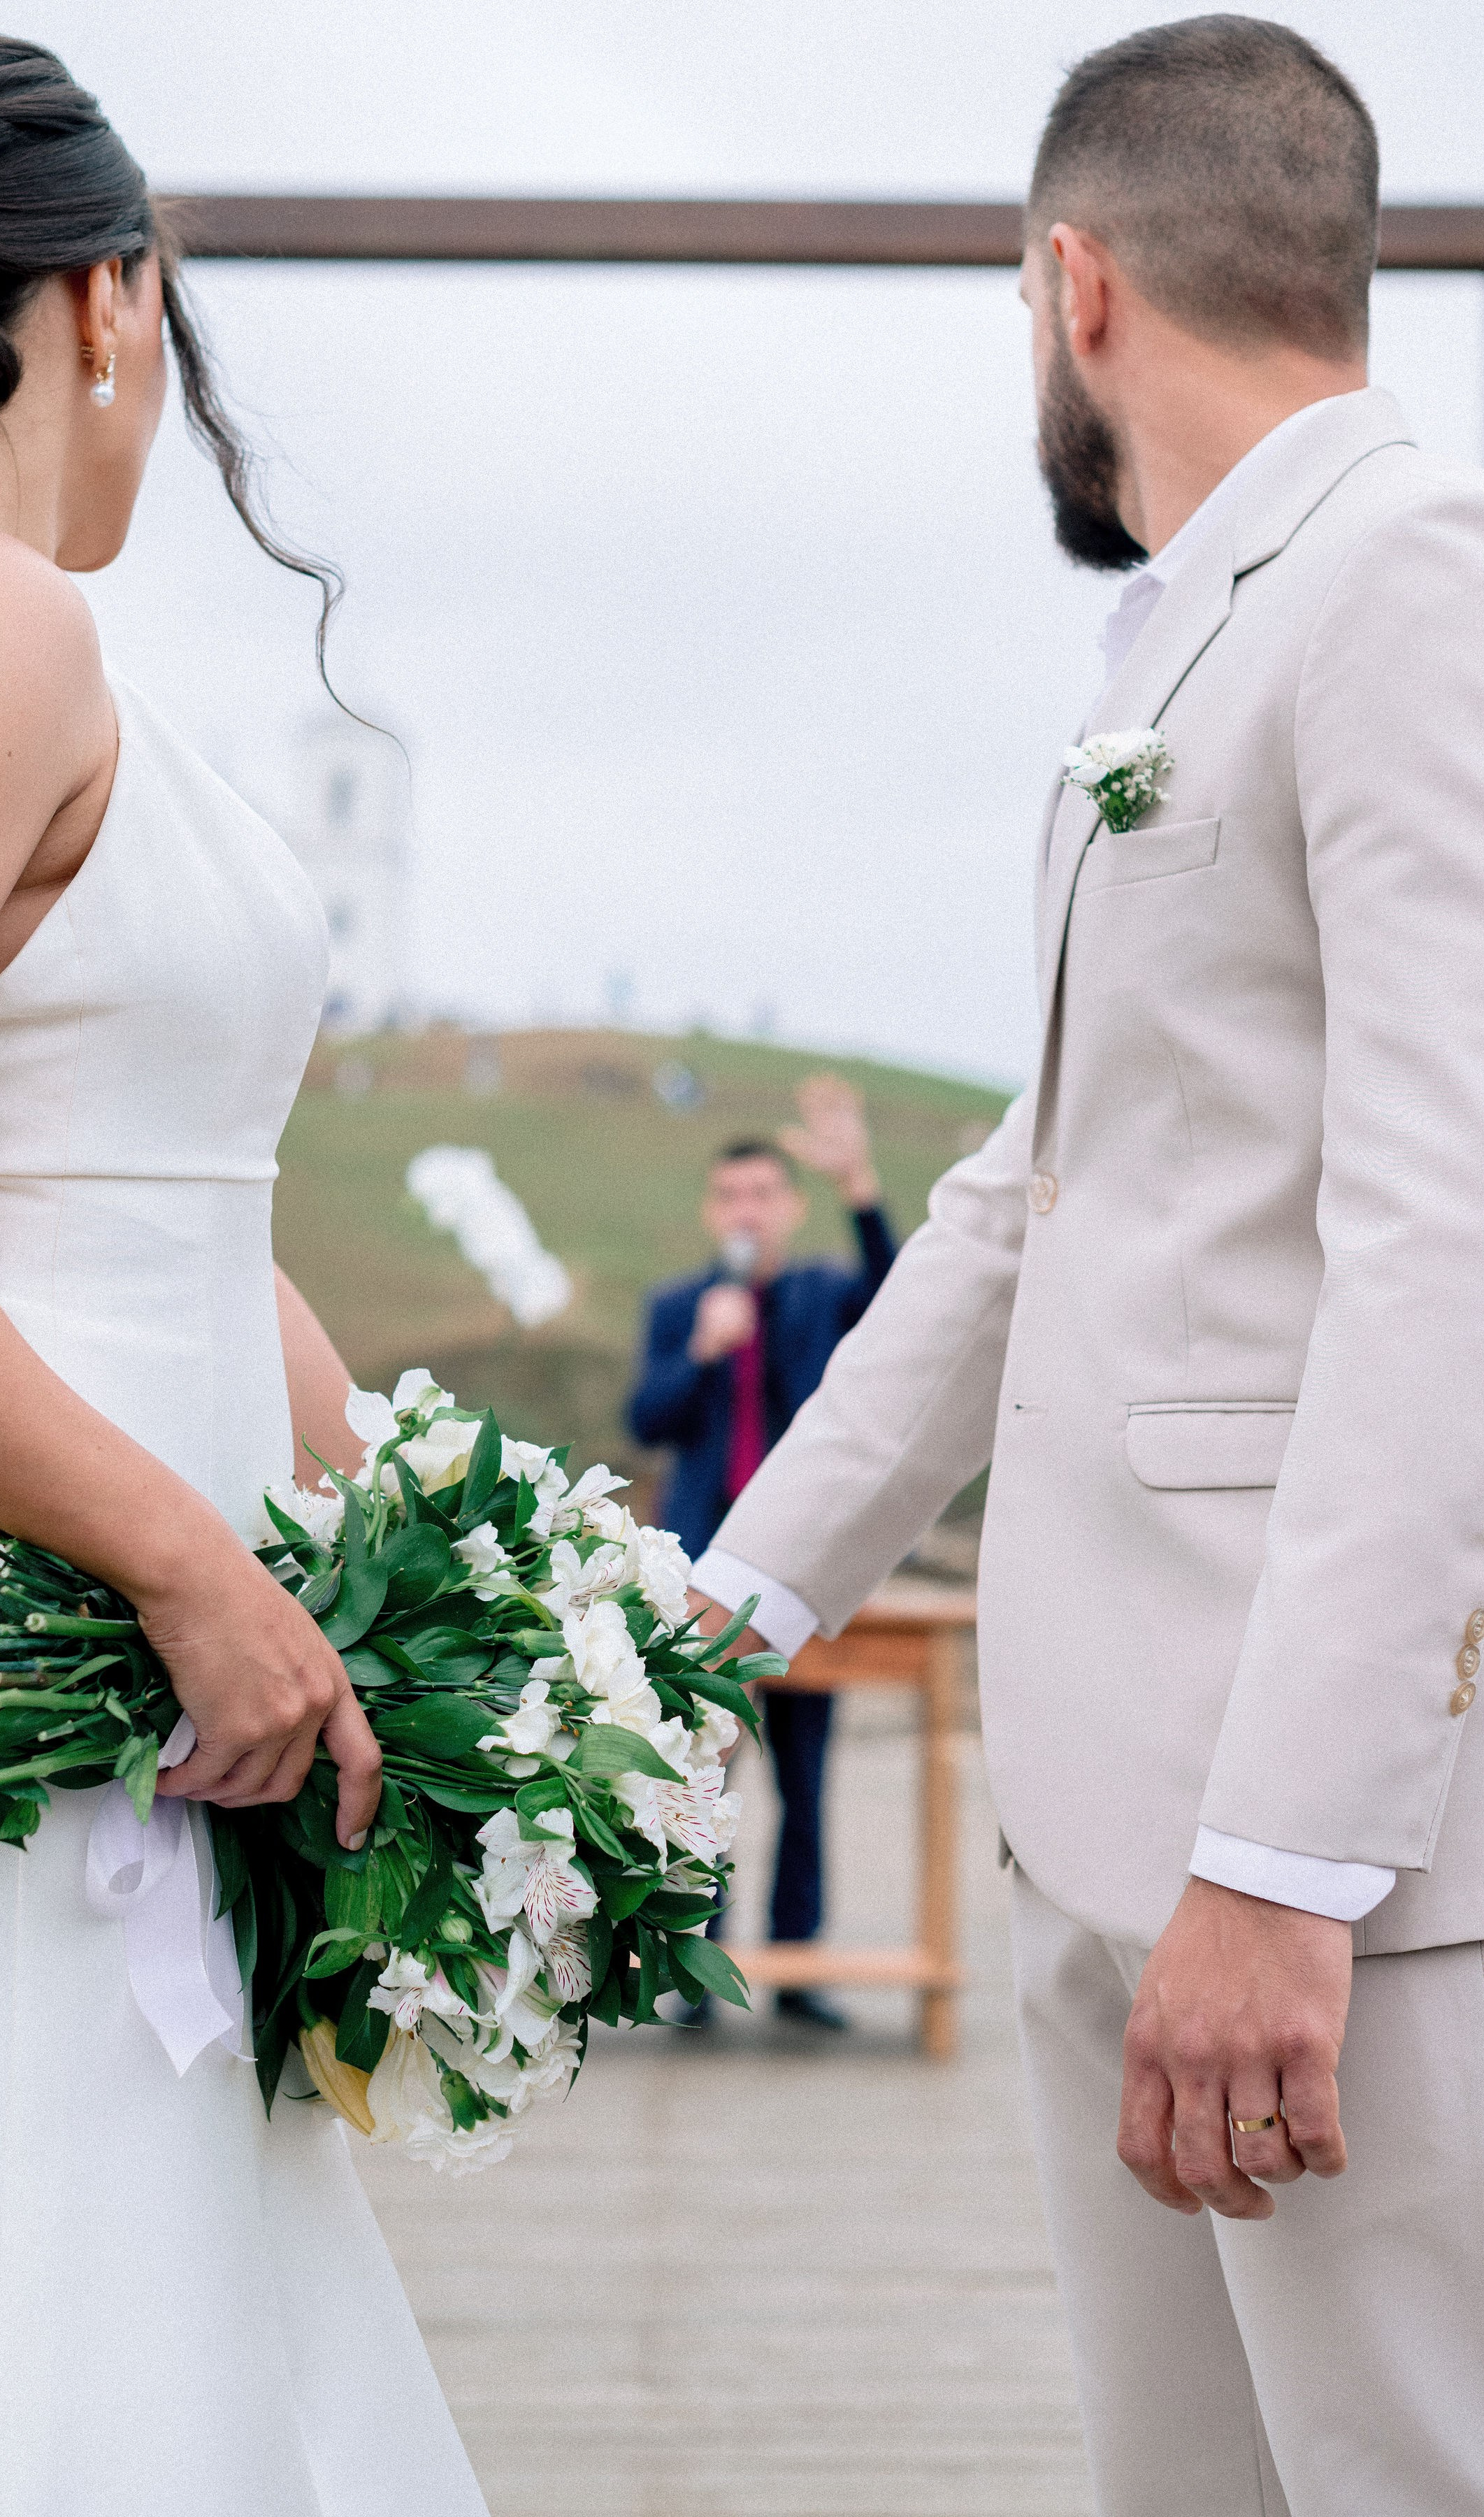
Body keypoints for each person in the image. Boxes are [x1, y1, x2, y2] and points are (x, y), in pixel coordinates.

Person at [688, 17, 1484, 2511]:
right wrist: (721, 1620)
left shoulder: (1406, 581)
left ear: (1073, 285)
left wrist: (1279, 1861)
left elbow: (1443, 1244)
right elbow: (1017, 1218)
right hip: (1098, 1831)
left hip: (1322, 1876)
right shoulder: (1182, 636)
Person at [0, 36, 486, 2514]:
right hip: (21, 1656)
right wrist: (189, 1565)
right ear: (116, 302)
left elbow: (146, 1189)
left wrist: (446, 1551)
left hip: (155, 1649)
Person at [629, 1077, 896, 2025]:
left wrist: (861, 1186)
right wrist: (700, 1352)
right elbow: (646, 1418)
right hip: (705, 1575)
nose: (747, 1210)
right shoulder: (680, 1305)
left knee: (806, 1776)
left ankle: (798, 1970)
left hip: (806, 1570)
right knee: (702, 1776)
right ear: (715, 1209)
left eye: (763, 1195)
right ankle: (694, 1970)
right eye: (730, 1196)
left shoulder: (824, 1296)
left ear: (789, 1205)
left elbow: (900, 1301)